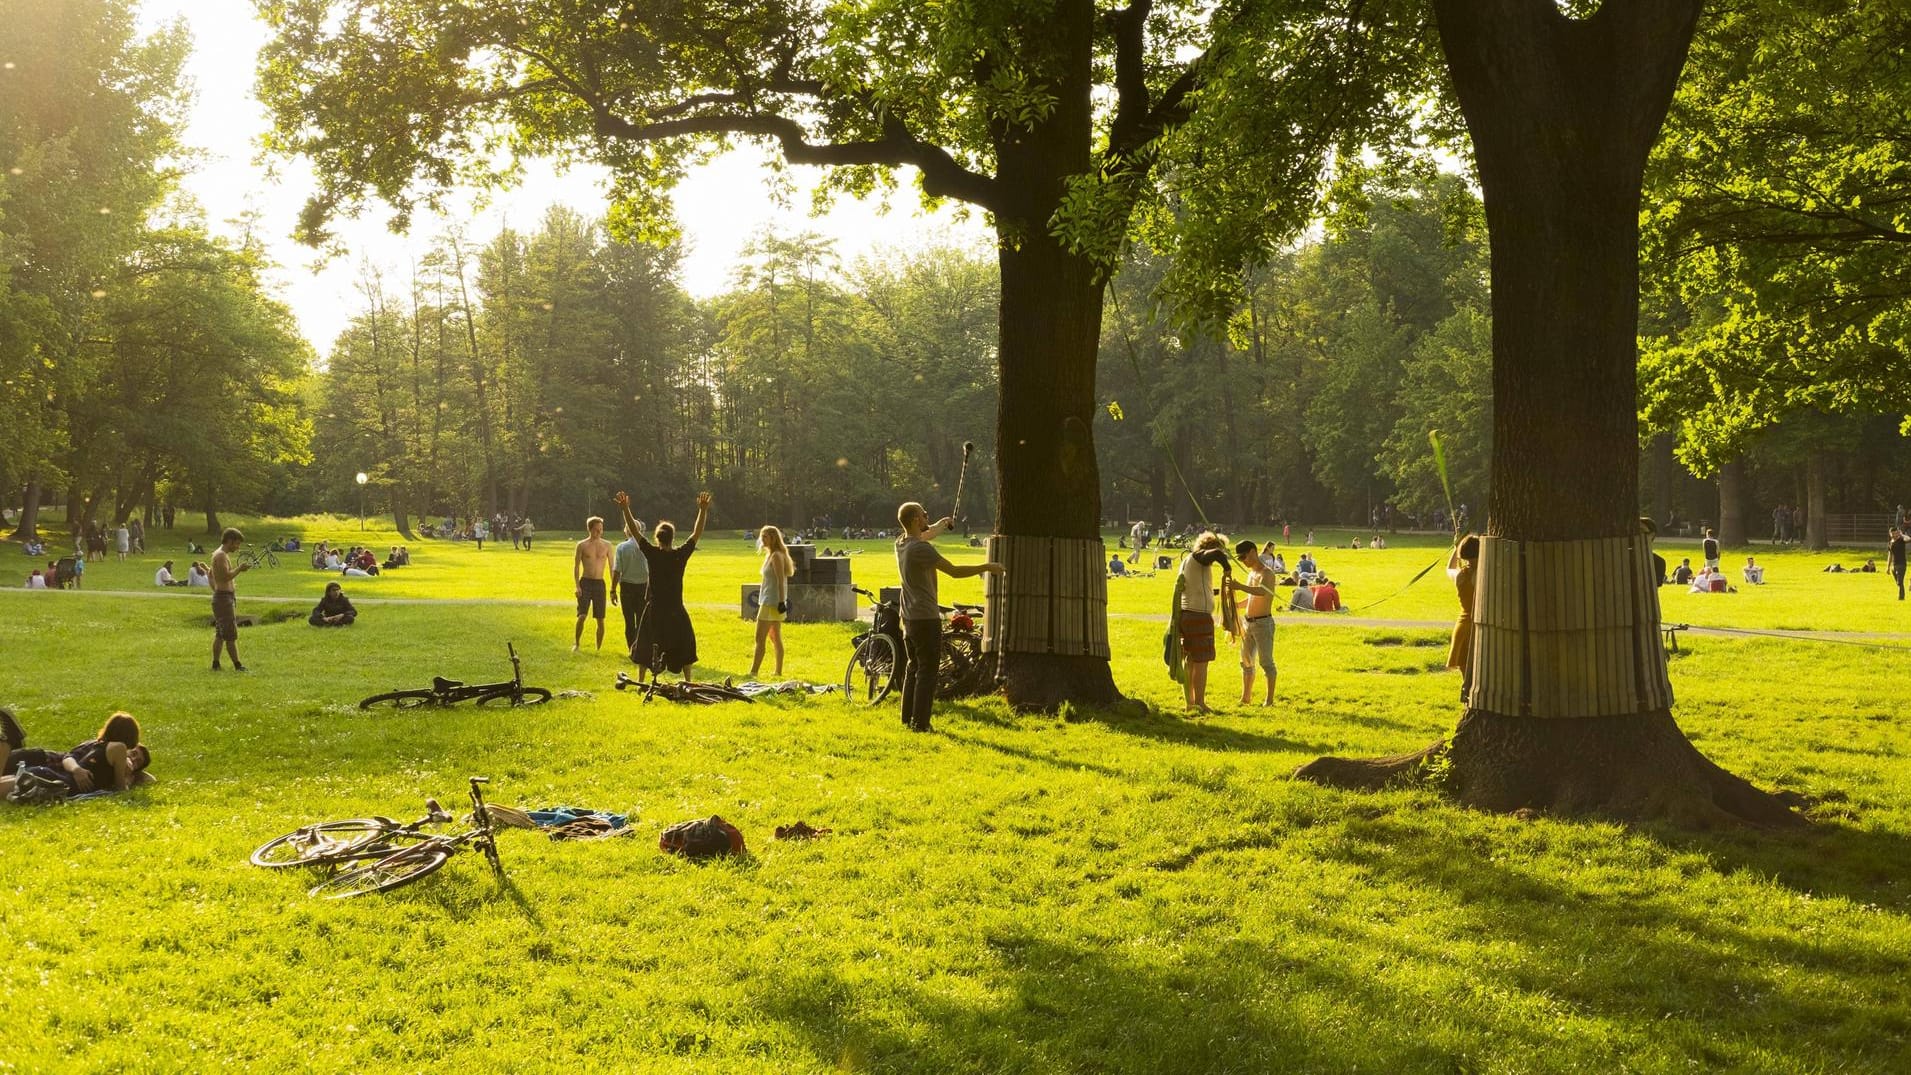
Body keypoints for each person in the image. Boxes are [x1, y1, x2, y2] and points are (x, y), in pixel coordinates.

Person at [894, 500, 1004, 731]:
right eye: (924, 515)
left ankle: (907, 719)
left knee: (913, 668)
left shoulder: (902, 544)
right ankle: (921, 724)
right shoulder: (921, 550)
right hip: (926, 617)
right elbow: (954, 571)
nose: (927, 518)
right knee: (927, 672)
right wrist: (986, 567)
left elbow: (926, 533)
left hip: (908, 617)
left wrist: (942, 524)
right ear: (915, 520)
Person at [625, 491, 710, 681]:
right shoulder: (680, 555)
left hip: (655, 609)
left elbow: (635, 531)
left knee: (645, 645)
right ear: (672, 537)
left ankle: (641, 681)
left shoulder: (652, 554)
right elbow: (697, 533)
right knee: (685, 643)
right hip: (675, 609)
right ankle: (688, 680)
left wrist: (625, 508)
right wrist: (703, 510)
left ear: (657, 538)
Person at [0, 710, 150, 802]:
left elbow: (150, 778)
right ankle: (8, 742)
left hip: (48, 774)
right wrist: (129, 780)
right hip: (56, 781)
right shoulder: (119, 748)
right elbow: (120, 789)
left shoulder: (99, 746)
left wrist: (134, 771)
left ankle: (8, 742)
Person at [1233, 540, 1278, 706]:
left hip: (1263, 623)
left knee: (1266, 662)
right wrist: (1235, 605)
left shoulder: (1267, 574)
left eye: (1244, 557)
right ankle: (1246, 697)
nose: (1244, 561)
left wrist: (1239, 586)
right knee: (1245, 661)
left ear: (1252, 552)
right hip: (1248, 623)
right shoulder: (1251, 573)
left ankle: (1269, 700)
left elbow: (1262, 592)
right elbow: (1251, 598)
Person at [750, 525, 796, 678]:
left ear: (773, 538)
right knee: (775, 636)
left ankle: (753, 672)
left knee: (760, 638)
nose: (762, 540)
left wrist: (782, 601)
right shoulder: (770, 555)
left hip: (771, 602)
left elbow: (780, 579)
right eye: (761, 537)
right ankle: (778, 672)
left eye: (765, 537)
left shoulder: (776, 556)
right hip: (768, 599)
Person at [610, 504, 650, 660]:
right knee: (641, 620)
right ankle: (641, 648)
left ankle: (632, 649)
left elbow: (617, 571)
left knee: (629, 620)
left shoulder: (621, 547)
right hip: (643, 586)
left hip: (626, 586)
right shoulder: (646, 545)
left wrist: (613, 590)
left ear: (627, 530)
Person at [210, 527, 252, 671]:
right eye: (236, 543)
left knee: (220, 634)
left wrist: (216, 589)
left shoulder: (218, 554)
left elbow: (211, 575)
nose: (238, 547)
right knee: (230, 634)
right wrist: (239, 569)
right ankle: (238, 665)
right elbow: (225, 576)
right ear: (229, 541)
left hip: (222, 596)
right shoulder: (221, 555)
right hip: (223, 599)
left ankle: (215, 663)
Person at [572, 515, 615, 653]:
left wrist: (613, 587)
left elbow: (612, 567)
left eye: (601, 530)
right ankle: (577, 644)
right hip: (585, 583)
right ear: (590, 529)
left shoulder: (607, 545)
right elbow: (577, 566)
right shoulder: (582, 545)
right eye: (596, 530)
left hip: (599, 584)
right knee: (582, 616)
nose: (599, 532)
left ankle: (598, 649)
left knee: (600, 619)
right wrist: (577, 585)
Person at [1448, 535, 1480, 703]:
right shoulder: (1485, 576)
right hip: (1479, 626)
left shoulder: (1460, 575)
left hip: (1462, 626)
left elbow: (1449, 568)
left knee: (1465, 673)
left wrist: (1455, 548)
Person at [1890, 527, 1908, 601]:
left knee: (1900, 581)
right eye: (1893, 533)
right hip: (1894, 564)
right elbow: (1890, 555)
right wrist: (1888, 567)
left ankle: (1901, 597)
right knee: (1899, 583)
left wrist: (1902, 534)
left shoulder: (1901, 540)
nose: (1894, 534)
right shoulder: (1891, 542)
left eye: (1896, 533)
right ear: (1890, 534)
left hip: (1902, 564)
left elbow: (1909, 539)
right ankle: (1901, 594)